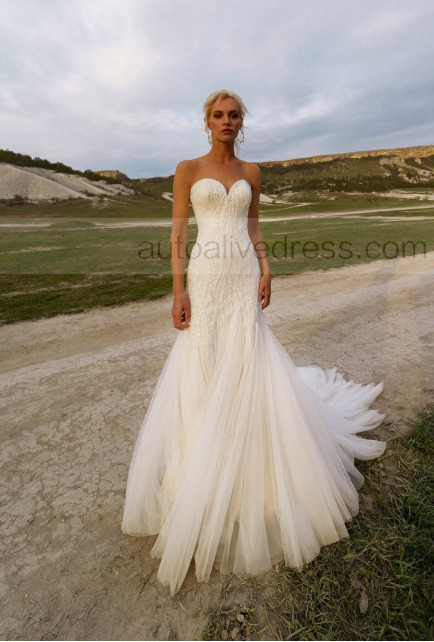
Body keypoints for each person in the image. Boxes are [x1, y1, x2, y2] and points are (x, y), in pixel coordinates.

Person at [121, 89, 386, 596]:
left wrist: (267, 267)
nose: (226, 121)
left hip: (241, 274)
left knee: (245, 365)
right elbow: (178, 235)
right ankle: (199, 470)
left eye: (234, 114)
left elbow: (254, 225)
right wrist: (177, 289)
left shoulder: (253, 173)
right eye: (218, 115)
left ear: (242, 122)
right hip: (205, 276)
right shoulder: (187, 169)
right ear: (206, 121)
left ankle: (251, 473)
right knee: (203, 361)